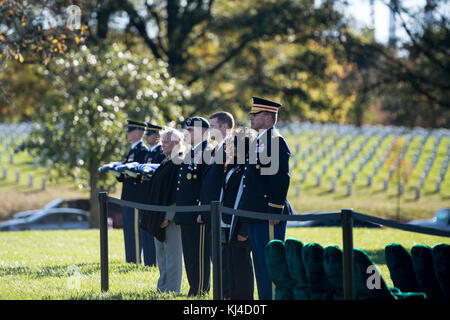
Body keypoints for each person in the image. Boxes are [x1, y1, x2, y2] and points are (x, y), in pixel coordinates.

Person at [233, 97, 293, 300]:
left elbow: (280, 178)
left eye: (255, 114)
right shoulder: (261, 140)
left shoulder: (275, 141)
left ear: (268, 117)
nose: (250, 117)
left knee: (270, 264)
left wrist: (274, 210)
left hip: (267, 214)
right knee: (261, 263)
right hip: (255, 212)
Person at [140, 128, 184, 293]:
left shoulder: (179, 161)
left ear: (176, 143)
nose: (162, 146)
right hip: (158, 215)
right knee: (163, 255)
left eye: (165, 142)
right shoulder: (167, 161)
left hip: (169, 218)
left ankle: (172, 290)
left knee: (172, 256)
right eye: (162, 142)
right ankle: (163, 288)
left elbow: (176, 193)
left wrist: (168, 216)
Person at [174, 116, 213, 296]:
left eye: (191, 130)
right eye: (187, 130)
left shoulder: (208, 152)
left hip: (197, 212)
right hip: (186, 212)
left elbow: (207, 185)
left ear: (204, 131)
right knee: (189, 255)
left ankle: (200, 291)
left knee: (199, 255)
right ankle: (193, 288)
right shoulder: (192, 152)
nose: (187, 133)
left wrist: (202, 210)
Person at [220, 127, 255, 300]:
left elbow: (250, 201)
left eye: (233, 144)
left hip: (240, 225)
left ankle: (244, 302)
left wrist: (244, 229)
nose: (229, 147)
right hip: (227, 223)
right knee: (229, 265)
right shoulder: (233, 166)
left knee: (242, 267)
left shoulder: (248, 168)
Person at [116, 120, 154, 264]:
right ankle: (131, 260)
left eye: (131, 130)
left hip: (136, 198)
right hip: (128, 196)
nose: (128, 133)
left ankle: (135, 260)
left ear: (139, 132)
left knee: (135, 232)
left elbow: (139, 174)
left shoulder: (142, 151)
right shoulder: (133, 150)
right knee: (129, 231)